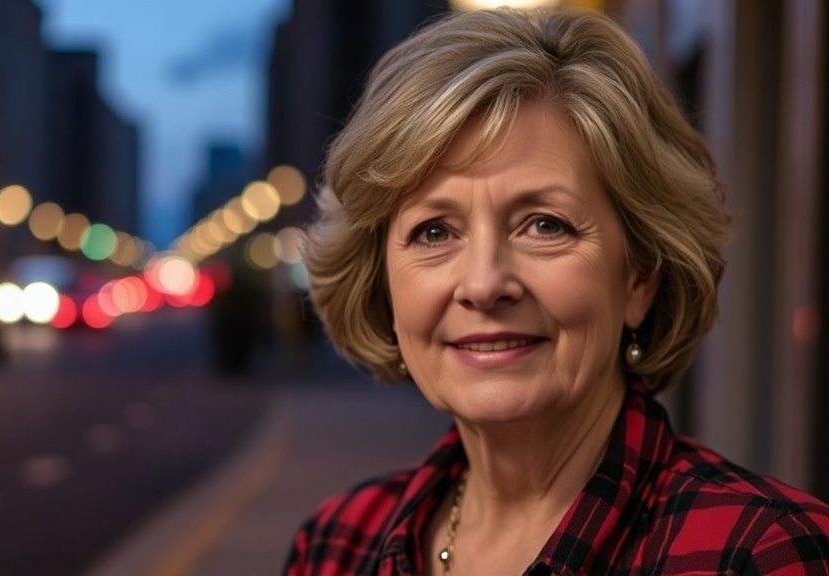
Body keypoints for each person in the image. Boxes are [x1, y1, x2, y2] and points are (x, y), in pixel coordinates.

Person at [284, 7, 829, 575]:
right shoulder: (334, 546)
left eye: (545, 224)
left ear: (640, 275)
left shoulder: (765, 554)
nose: (485, 284)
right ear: (383, 283)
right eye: (434, 231)